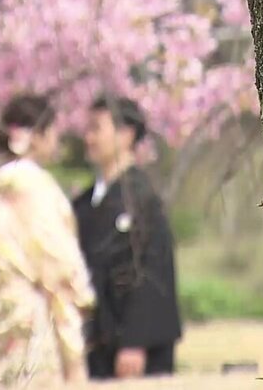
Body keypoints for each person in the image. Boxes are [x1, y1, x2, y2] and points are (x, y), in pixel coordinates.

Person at [0, 94, 95, 385]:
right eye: (52, 132)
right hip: (25, 322)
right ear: (37, 137)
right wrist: (74, 353)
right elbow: (58, 267)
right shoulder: (32, 186)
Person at [73, 96, 182, 379]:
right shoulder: (84, 203)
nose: (88, 138)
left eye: (96, 128)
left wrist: (136, 340)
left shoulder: (143, 200)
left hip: (129, 344)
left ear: (126, 134)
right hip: (93, 340)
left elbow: (153, 271)